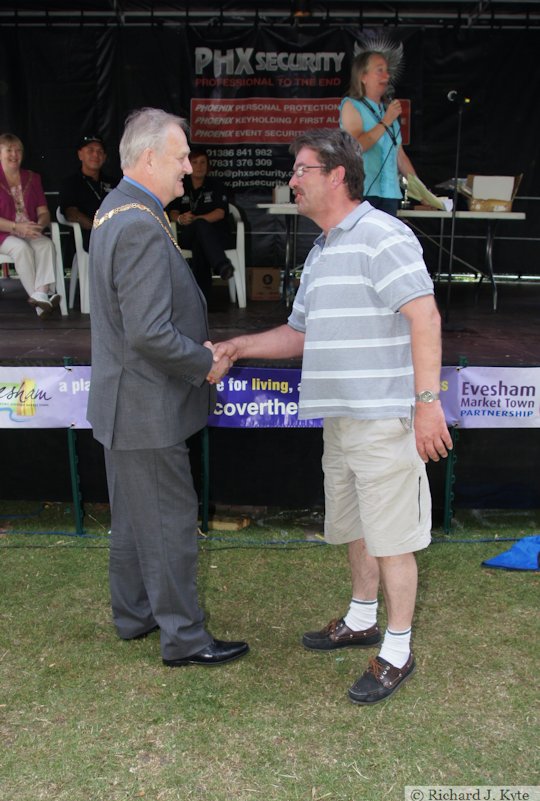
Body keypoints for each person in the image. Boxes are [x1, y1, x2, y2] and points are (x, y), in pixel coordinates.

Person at [213, 128, 452, 704]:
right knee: (355, 528)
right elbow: (299, 334)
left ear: (336, 175)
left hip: (384, 420)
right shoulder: (322, 249)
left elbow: (425, 318)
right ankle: (362, 617)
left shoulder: (382, 236)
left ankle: (396, 650)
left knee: (392, 537)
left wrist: (426, 407)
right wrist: (240, 346)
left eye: (300, 170)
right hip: (341, 420)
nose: (292, 181)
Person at [86, 108, 249, 668]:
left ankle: (134, 615)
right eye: (181, 156)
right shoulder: (136, 222)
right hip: (145, 407)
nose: (188, 167)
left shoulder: (117, 210)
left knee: (134, 520)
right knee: (170, 524)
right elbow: (150, 333)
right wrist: (202, 363)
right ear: (149, 157)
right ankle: (184, 637)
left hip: (123, 403)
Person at [340, 45, 417, 216]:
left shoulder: (388, 112)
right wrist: (386, 121)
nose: (387, 76)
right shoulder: (351, 105)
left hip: (390, 193)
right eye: (380, 70)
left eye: (387, 71)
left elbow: (400, 156)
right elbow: (356, 146)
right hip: (363, 190)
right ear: (363, 76)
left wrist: (421, 190)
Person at [0, 132, 61, 317]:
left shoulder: (32, 177)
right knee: (21, 249)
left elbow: (43, 212)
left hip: (29, 229)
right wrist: (17, 228)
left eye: (18, 150)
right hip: (4, 232)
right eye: (9, 150)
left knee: (45, 244)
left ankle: (41, 294)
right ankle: (40, 301)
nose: (14, 155)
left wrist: (39, 226)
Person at [166, 148, 234, 302]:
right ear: (188, 165)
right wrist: (180, 219)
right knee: (198, 231)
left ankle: (202, 299)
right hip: (186, 235)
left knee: (200, 241)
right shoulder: (181, 185)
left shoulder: (215, 185)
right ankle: (221, 264)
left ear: (208, 165)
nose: (199, 166)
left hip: (216, 236)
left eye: (203, 162)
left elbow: (220, 213)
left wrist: (198, 219)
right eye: (195, 162)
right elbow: (172, 212)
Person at [59, 135, 114, 250]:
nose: (95, 155)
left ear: (104, 157)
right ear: (80, 155)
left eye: (100, 151)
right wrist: (97, 227)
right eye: (90, 150)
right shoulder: (70, 183)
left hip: (114, 232)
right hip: (87, 236)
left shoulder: (115, 183)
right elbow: (71, 214)